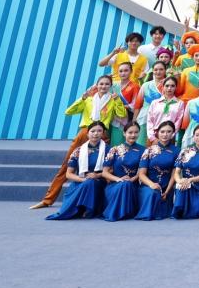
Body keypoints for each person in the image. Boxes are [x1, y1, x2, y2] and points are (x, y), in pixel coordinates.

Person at [34, 75, 128, 209]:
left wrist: (117, 100)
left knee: (105, 169)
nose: (103, 86)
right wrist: (82, 98)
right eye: (101, 84)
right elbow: (69, 111)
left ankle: (104, 204)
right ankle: (47, 200)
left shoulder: (112, 100)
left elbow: (122, 114)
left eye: (107, 84)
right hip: (84, 133)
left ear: (110, 86)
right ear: (96, 85)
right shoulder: (89, 100)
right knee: (66, 166)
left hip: (102, 134)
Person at [46, 121, 109, 220]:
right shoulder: (78, 151)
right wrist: (83, 179)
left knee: (91, 183)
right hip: (81, 181)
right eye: (93, 131)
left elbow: (111, 171)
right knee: (88, 183)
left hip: (100, 181)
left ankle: (87, 209)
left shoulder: (109, 150)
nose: (96, 133)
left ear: (103, 133)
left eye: (99, 131)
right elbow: (68, 174)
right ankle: (82, 209)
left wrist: (97, 175)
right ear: (87, 134)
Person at [134, 121, 180, 221]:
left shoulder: (177, 151)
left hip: (167, 186)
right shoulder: (148, 150)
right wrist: (151, 184)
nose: (165, 134)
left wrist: (167, 191)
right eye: (162, 131)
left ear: (173, 134)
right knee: (152, 193)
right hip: (148, 185)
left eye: (169, 132)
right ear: (157, 133)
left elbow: (174, 174)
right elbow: (141, 174)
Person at [99, 122, 144, 221]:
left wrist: (132, 179)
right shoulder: (114, 150)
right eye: (130, 132)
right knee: (124, 184)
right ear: (124, 133)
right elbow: (104, 172)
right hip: (115, 184)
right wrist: (119, 179)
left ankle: (117, 213)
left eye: (136, 132)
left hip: (133, 184)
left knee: (126, 184)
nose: (133, 135)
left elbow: (141, 172)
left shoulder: (143, 150)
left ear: (139, 133)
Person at [170, 124, 199, 219]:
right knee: (179, 209)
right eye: (197, 135)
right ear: (193, 136)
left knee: (198, 211)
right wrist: (180, 181)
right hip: (185, 185)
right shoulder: (184, 151)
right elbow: (176, 172)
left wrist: (190, 180)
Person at [146, 76, 186, 142]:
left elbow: (178, 122)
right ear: (163, 87)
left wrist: (170, 136)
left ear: (176, 87)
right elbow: (149, 121)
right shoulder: (155, 103)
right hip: (154, 136)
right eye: (167, 86)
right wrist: (152, 138)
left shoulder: (180, 103)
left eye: (172, 86)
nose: (169, 88)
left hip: (170, 137)